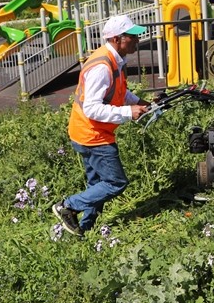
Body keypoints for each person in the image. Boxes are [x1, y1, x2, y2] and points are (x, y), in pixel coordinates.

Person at [53, 14, 151, 236]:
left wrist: (138, 102)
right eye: (132, 36)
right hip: (93, 135)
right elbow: (92, 108)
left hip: (86, 131)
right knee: (115, 182)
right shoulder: (102, 66)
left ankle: (83, 229)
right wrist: (129, 112)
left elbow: (118, 91)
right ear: (117, 39)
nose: (137, 39)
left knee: (96, 185)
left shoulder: (113, 59)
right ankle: (67, 206)